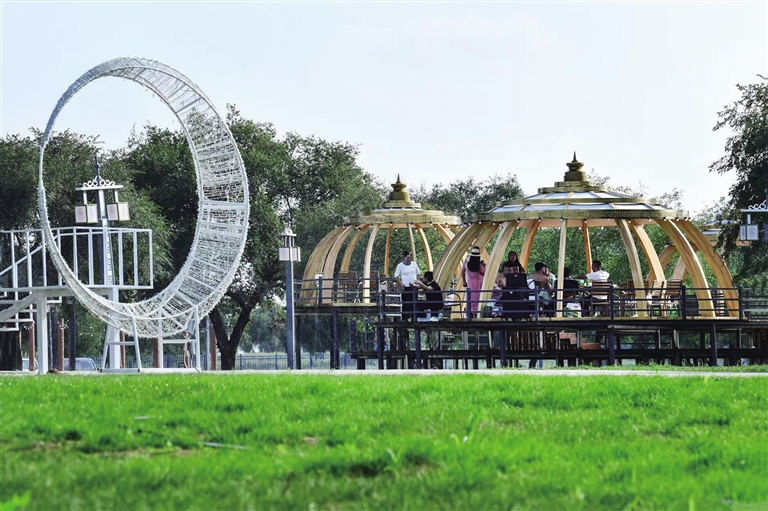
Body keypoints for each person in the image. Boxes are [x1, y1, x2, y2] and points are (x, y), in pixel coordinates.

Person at [395, 251, 421, 321]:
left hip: (414, 286)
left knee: (414, 302)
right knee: (406, 302)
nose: (409, 259)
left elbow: (418, 273)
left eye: (410, 258)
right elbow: (396, 275)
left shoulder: (414, 264)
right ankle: (405, 317)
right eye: (407, 258)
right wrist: (401, 283)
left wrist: (417, 282)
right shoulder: (400, 265)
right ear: (404, 258)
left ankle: (414, 317)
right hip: (405, 286)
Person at [461, 246, 486, 316]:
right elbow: (485, 273)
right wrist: (484, 266)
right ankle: (477, 315)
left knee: (470, 300)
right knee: (478, 301)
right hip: (479, 286)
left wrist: (464, 282)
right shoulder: (479, 266)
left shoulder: (467, 264)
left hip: (469, 285)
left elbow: (462, 271)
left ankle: (469, 315)